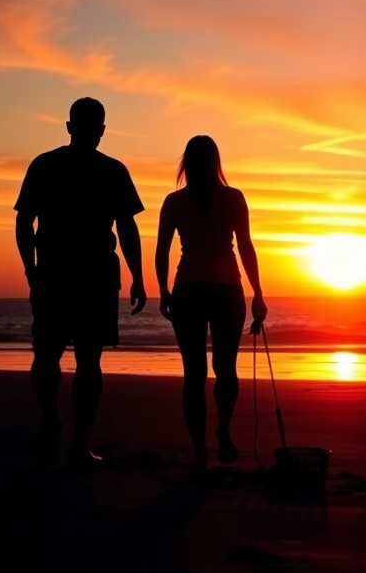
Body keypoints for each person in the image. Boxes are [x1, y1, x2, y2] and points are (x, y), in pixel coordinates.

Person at [14, 97, 147, 469]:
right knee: (81, 359)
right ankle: (73, 437)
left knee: (52, 355)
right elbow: (127, 227)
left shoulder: (48, 165)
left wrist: (31, 269)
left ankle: (62, 428)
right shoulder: (105, 169)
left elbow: (25, 222)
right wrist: (137, 277)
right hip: (85, 275)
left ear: (71, 126)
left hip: (69, 275)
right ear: (97, 131)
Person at [155, 135, 267, 473]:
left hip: (192, 289)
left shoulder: (176, 201)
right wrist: (258, 292)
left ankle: (202, 449)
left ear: (186, 163)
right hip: (222, 290)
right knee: (223, 368)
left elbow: (162, 251)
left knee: (196, 373)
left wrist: (164, 291)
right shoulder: (231, 198)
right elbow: (245, 246)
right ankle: (218, 432)